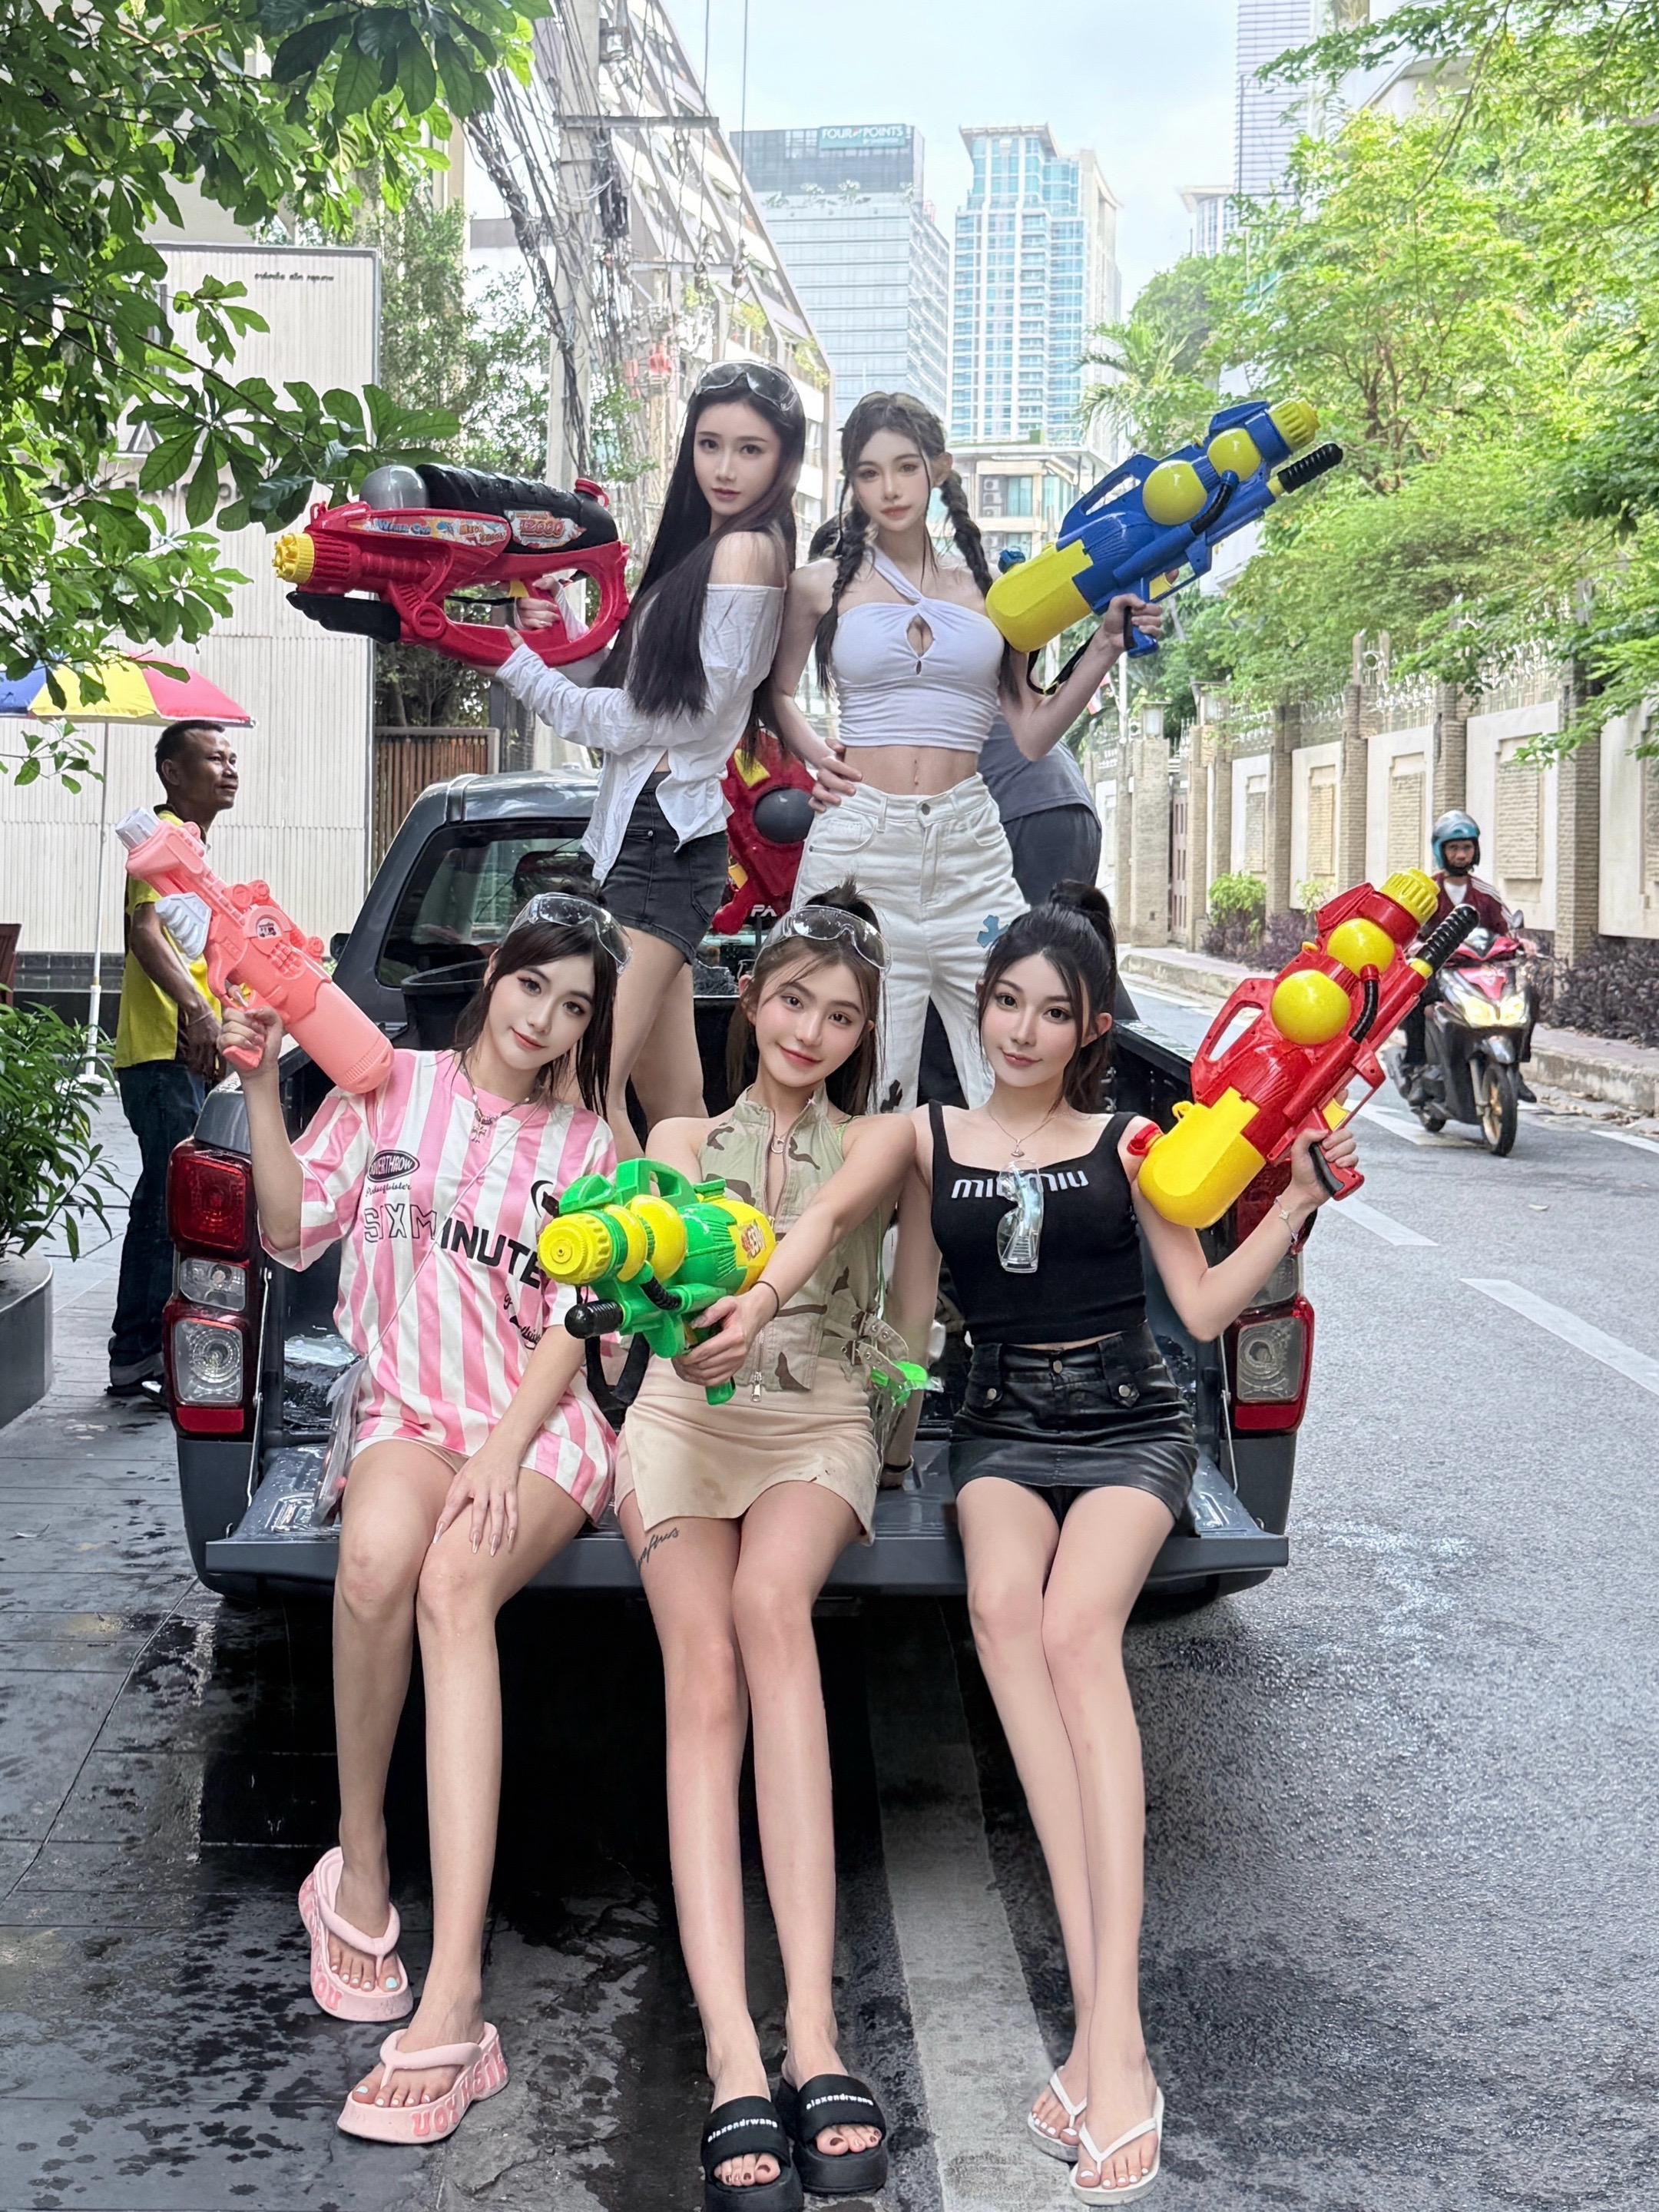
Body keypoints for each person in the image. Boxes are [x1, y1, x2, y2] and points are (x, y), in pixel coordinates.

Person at [886, 887, 1358, 2204]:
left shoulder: (1132, 1142)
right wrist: (859, 1432)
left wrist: (1294, 1205)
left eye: (1054, 1012)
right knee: (1001, 1614)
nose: (1022, 1030)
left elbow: (1198, 1312)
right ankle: (1097, 2028)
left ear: (1092, 1028)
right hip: (998, 1424)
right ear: (980, 1004)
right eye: (1007, 1002)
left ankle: (1118, 2042)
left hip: (1129, 1422)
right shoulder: (934, 1144)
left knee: (1074, 1629)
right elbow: (911, 1331)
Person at [228, 895, 624, 2145]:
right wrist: (259, 1084)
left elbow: (580, 1322)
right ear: (495, 970)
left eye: (574, 1007)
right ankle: (356, 1871)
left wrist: (503, 1452)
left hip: (536, 1426)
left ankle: (455, 1997)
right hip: (407, 1403)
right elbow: (290, 1229)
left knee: (454, 1587)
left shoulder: (589, 1147)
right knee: (374, 1566)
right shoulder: (385, 1086)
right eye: (534, 984)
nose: (545, 1018)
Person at [613, 890, 912, 2211]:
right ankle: (734, 2051)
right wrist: (667, 1323)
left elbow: (848, 1243)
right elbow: (644, 1290)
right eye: (793, 1001)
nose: (810, 1032)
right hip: (683, 1420)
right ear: (752, 1001)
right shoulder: (679, 1139)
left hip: (815, 1416)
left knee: (771, 1611)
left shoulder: (884, 1138)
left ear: (862, 1034)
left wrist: (890, 1424)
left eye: (841, 1017)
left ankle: (814, 2034)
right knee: (703, 1671)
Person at [767, 389, 1158, 1109]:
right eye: (869, 473)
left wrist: (1104, 645)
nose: (889, 489)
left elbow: (1032, 731)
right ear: (851, 482)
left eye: (906, 467)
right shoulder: (818, 586)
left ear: (939, 471)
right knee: (853, 1072)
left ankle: (1005, 1187)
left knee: (1011, 1056)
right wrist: (820, 758)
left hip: (968, 843)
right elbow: (779, 692)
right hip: (859, 840)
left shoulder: (997, 593)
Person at [499, 361, 805, 1153]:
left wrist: (513, 662)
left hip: (659, 844)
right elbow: (636, 698)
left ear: (784, 459)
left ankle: (626, 1239)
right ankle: (705, 1230)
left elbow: (670, 716)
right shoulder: (708, 550)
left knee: (580, 1086)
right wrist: (559, 631)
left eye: (749, 449)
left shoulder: (746, 550)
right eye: (709, 444)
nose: (725, 468)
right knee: (672, 1102)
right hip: (652, 837)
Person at [107, 719, 238, 1399]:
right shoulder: (161, 839)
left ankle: (145, 1350)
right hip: (162, 1053)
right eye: (213, 759)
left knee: (169, 1198)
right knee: (167, 1202)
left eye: (232, 758)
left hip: (183, 1054)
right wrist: (196, 1012)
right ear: (172, 771)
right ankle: (137, 1353)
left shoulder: (192, 848)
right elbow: (146, 932)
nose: (229, 769)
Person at [1399, 810, 1534, 1101]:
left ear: (1476, 850)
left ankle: (1516, 1068)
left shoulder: (1486, 893)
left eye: (1467, 847)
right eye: (1454, 848)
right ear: (1441, 850)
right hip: (1438, 972)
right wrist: (1414, 947)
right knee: (1414, 1001)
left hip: (1480, 972)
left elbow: (1507, 928)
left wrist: (1523, 942)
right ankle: (1417, 1068)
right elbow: (1409, 931)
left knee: (1527, 995)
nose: (1461, 855)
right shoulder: (1428, 892)